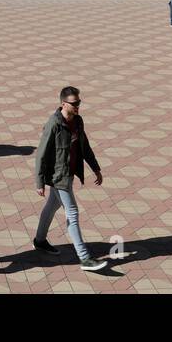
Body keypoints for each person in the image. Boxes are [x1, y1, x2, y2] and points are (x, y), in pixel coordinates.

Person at [33, 86, 108, 271]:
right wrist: (39, 182)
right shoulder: (54, 124)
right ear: (63, 103)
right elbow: (41, 154)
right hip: (58, 177)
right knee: (72, 213)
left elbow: (85, 146)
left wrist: (96, 168)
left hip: (69, 174)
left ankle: (39, 240)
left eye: (79, 102)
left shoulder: (78, 121)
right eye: (74, 103)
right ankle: (85, 259)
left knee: (51, 206)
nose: (78, 106)